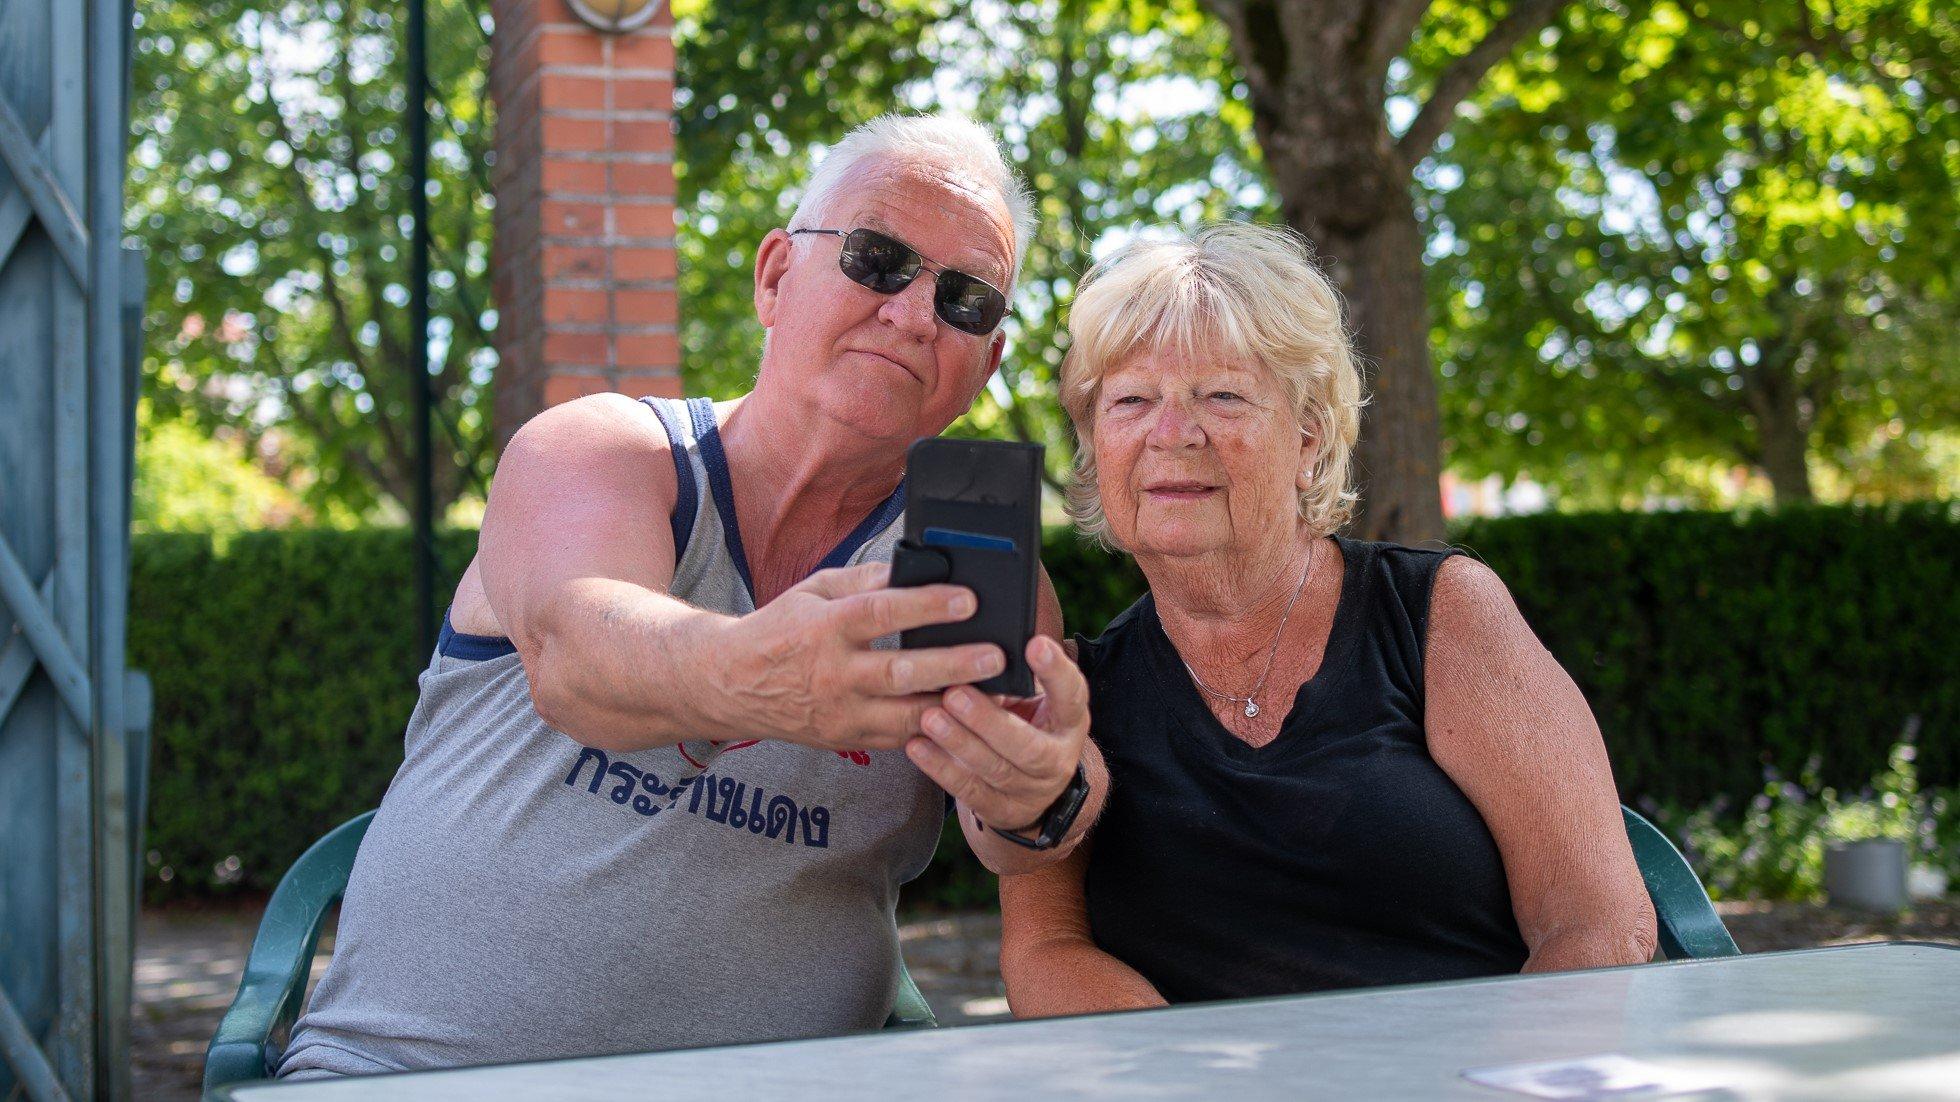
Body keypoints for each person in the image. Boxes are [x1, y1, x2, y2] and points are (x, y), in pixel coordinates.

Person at [277, 113, 1106, 1078]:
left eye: (966, 300)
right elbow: (580, 658)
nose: (916, 314)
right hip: (409, 1075)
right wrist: (767, 673)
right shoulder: (606, 452)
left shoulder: (977, 561)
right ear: (773, 276)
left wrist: (1044, 792)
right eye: (879, 259)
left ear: (987, 362)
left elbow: (1021, 843)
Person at [998, 223, 1656, 1017]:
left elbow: (1596, 924)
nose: (1172, 433)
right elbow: (1045, 951)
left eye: (1223, 395)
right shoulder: (1073, 691)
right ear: (1095, 444)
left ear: (1308, 437)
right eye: (1132, 401)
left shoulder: (1439, 613)